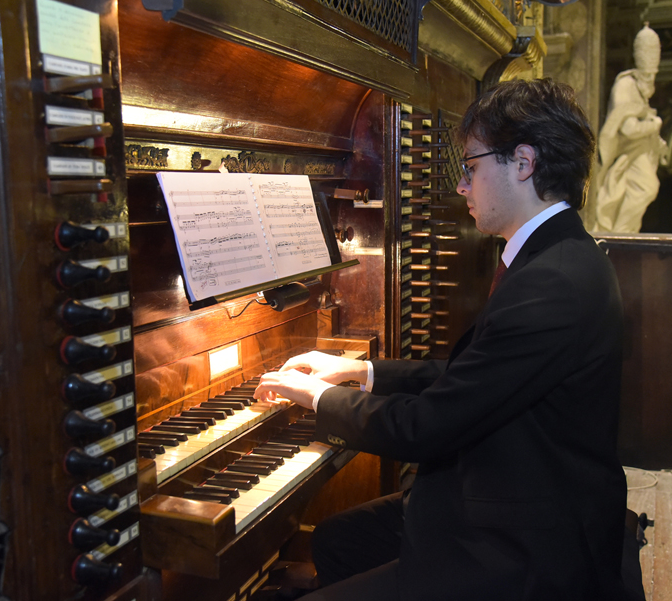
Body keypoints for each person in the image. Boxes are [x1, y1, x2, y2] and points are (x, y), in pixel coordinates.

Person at [255, 78, 629, 601]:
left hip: (524, 548)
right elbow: (480, 372)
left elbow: (424, 429)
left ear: (523, 162)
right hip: (513, 497)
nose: (461, 185)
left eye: (471, 167)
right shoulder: (557, 254)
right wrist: (360, 372)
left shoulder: (554, 281)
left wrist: (317, 398)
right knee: (339, 539)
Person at [590, 22, 668, 233]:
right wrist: (655, 125)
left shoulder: (643, 89)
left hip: (639, 152)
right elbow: (628, 129)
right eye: (648, 76)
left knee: (644, 189)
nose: (650, 81)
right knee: (647, 188)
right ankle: (620, 232)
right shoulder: (625, 85)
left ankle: (624, 232)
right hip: (626, 151)